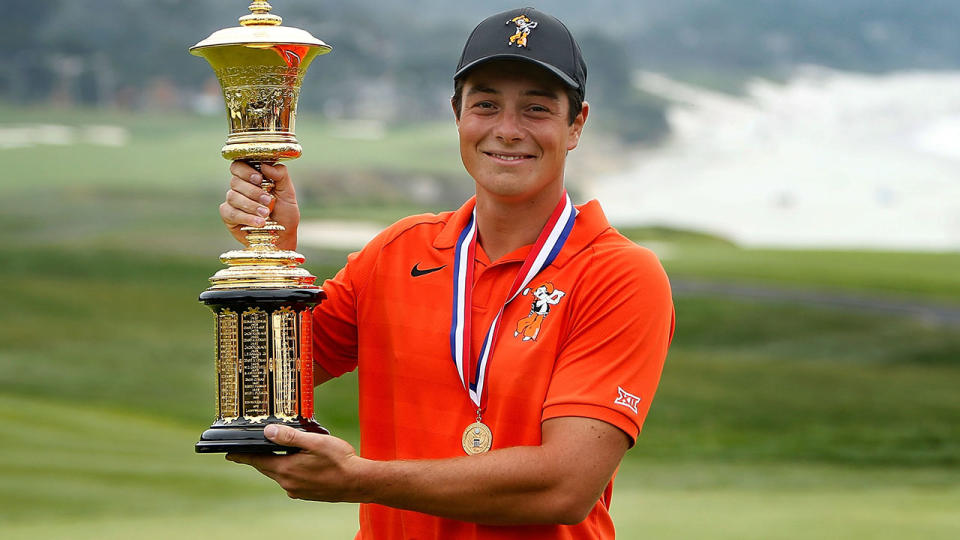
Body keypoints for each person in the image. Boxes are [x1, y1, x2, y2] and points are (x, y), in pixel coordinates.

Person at [220, 7, 674, 539]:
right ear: (457, 115)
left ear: (576, 125)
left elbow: (567, 486)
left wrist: (361, 479)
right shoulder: (395, 252)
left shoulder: (620, 274)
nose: (508, 130)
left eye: (536, 109)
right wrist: (274, 253)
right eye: (486, 105)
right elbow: (266, 391)